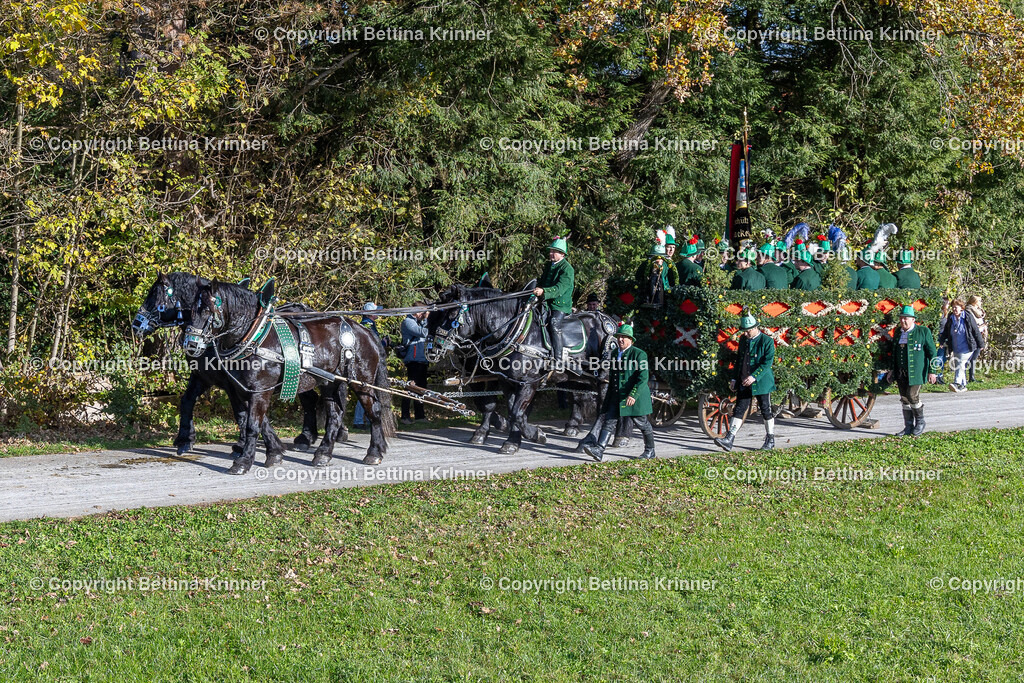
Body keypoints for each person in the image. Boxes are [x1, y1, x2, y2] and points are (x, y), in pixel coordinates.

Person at [583, 323, 656, 461]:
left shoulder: (639, 354)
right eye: (619, 337)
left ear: (631, 340)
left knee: (642, 423)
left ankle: (650, 451)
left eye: (624, 337)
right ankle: (599, 449)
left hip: (634, 397)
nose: (620, 339)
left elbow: (643, 378)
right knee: (609, 421)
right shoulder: (615, 352)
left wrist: (633, 395)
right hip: (617, 395)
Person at [713, 313, 777, 451]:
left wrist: (754, 376)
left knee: (765, 409)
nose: (746, 333)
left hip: (762, 381)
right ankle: (729, 439)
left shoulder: (767, 341)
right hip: (744, 380)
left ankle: (770, 439)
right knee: (740, 409)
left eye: (749, 331)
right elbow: (740, 361)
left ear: (755, 327)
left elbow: (767, 363)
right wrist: (735, 378)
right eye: (745, 331)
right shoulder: (743, 339)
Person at [885, 305, 937, 436]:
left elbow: (933, 353)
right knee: (904, 399)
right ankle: (908, 427)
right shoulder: (898, 332)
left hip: (917, 372)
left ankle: (920, 422)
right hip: (901, 371)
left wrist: (933, 371)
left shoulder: (923, 331)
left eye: (906, 319)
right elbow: (895, 352)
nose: (903, 321)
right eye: (901, 318)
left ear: (913, 320)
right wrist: (892, 370)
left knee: (912, 396)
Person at [534, 236, 576, 365]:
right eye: (551, 251)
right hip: (545, 301)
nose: (551, 253)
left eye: (554, 251)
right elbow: (542, 282)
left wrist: (544, 291)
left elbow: (559, 289)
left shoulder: (567, 269)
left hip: (560, 305)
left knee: (554, 324)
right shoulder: (549, 265)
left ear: (562, 254)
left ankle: (558, 359)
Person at [938, 298, 985, 392]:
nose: (954, 309)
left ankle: (957, 383)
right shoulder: (951, 317)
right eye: (953, 307)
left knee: (960, 364)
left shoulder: (967, 316)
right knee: (959, 364)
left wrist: (981, 344)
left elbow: (975, 330)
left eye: (956, 307)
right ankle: (963, 385)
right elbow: (946, 331)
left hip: (967, 346)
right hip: (956, 346)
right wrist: (942, 341)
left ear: (961, 308)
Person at [354, 302, 384, 429]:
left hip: (366, 361)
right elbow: (373, 343)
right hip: (366, 363)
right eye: (376, 311)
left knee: (367, 391)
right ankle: (359, 420)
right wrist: (384, 342)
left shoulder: (368, 324)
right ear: (371, 313)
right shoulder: (368, 325)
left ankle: (362, 419)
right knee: (366, 390)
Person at [400, 307, 430, 424]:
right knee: (410, 387)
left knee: (421, 388)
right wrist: (426, 320)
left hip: (422, 359)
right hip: (413, 359)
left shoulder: (418, 322)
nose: (424, 314)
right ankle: (405, 416)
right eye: (422, 312)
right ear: (417, 312)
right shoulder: (408, 322)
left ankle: (419, 415)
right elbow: (424, 332)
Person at [635, 241, 671, 305]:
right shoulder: (646, 264)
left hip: (662, 294)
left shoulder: (666, 265)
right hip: (646, 295)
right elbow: (638, 277)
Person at [966, 295, 988, 383]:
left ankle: (972, 377)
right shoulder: (969, 311)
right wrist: (981, 327)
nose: (981, 302)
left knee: (974, 357)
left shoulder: (979, 311)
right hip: (972, 336)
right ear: (974, 301)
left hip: (979, 335)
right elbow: (972, 325)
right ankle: (965, 377)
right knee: (969, 357)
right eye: (979, 301)